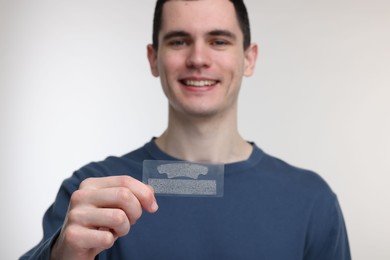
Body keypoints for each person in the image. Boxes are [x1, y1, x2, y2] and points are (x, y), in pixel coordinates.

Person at [21, 0, 351, 259]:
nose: (198, 58)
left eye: (218, 40)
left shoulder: (311, 201)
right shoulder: (93, 193)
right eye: (179, 41)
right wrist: (62, 254)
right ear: (154, 59)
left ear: (249, 59)